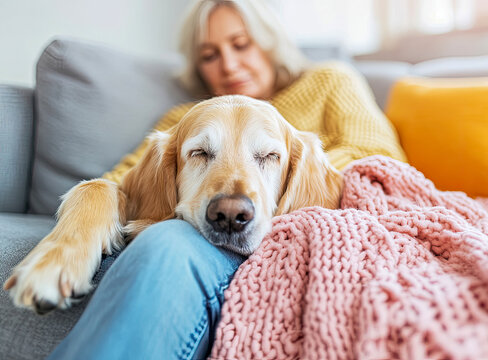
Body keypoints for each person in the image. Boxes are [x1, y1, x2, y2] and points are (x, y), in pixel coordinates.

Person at [48, 0, 406, 359]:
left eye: (240, 44)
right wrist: (88, 203)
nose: (229, 65)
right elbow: (124, 182)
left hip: (293, 236)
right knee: (167, 238)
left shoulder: (330, 81)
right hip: (196, 239)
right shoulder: (185, 118)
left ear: (269, 42)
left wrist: (289, 176)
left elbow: (379, 156)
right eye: (210, 55)